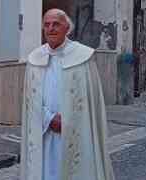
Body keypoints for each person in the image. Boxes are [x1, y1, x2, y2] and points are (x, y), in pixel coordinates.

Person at [21, 8, 114, 180]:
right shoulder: (35, 59)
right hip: (45, 134)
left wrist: (70, 120)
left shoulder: (83, 57)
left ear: (67, 28)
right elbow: (29, 102)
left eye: (56, 24)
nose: (51, 29)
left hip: (76, 133)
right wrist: (49, 119)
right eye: (47, 25)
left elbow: (90, 103)